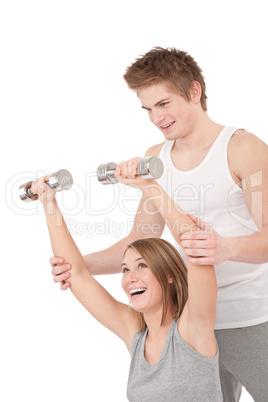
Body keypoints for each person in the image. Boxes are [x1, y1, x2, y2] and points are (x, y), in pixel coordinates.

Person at [51, 47, 268, 401]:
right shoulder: (156, 158)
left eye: (164, 104)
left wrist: (224, 248)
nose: (156, 118)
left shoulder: (242, 147)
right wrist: (79, 267)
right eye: (148, 109)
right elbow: (142, 239)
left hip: (249, 318)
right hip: (188, 321)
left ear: (194, 92)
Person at [31, 175, 223, 401]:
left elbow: (196, 246)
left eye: (142, 265)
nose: (130, 278)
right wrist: (49, 203)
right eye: (125, 269)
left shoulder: (193, 329)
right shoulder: (136, 333)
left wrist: (148, 186)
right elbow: (77, 273)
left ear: (169, 274)